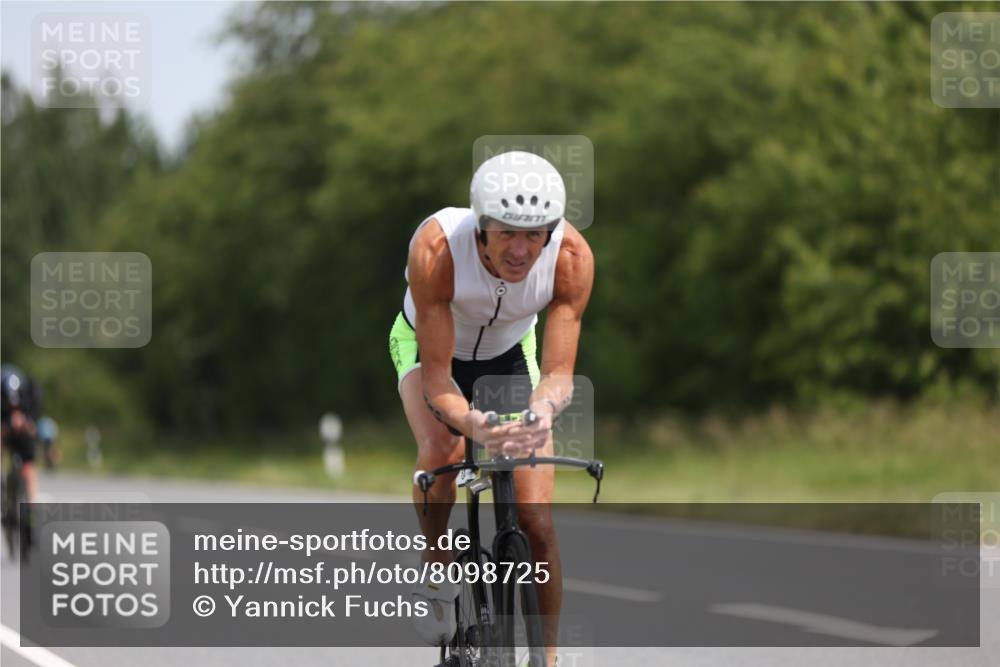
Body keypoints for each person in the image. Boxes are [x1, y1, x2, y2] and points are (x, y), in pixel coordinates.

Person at [389, 151, 594, 666]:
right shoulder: (436, 249)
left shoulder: (570, 257)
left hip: (508, 354)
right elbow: (439, 381)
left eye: (534, 235)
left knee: (536, 522)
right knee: (443, 446)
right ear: (481, 228)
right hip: (431, 351)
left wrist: (541, 414)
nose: (521, 251)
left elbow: (559, 374)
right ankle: (437, 564)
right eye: (507, 234)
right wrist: (472, 423)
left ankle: (547, 659)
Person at [1, 364, 42, 503]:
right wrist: (6, 427)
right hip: (5, 425)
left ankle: (32, 502)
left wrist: (26, 423)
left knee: (28, 464)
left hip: (26, 430)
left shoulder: (31, 392)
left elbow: (33, 425)